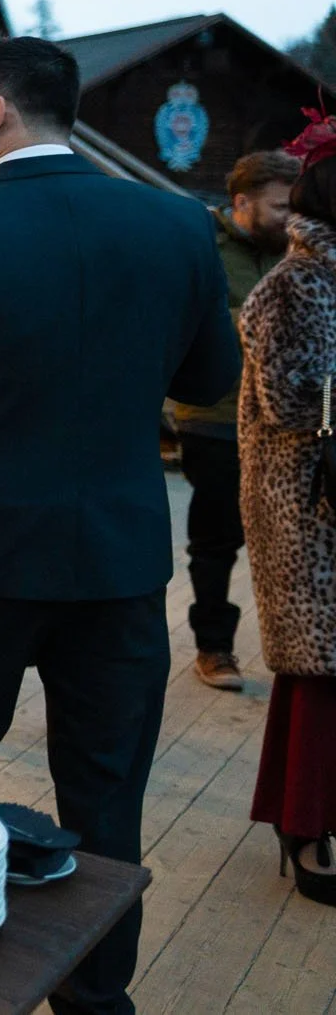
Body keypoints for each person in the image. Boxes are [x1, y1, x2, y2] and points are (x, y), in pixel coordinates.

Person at [0, 37, 239, 1015]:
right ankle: (92, 996)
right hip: (116, 561)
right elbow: (207, 381)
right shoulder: (173, 226)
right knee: (106, 799)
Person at [240, 114, 336, 908]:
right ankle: (304, 823)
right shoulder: (297, 285)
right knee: (318, 674)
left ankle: (302, 813)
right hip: (310, 512)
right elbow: (292, 398)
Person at [173, 149, 299, 690]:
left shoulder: (297, 249)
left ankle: (292, 647)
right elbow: (189, 318)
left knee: (285, 537)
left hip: (284, 419)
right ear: (241, 202)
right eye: (278, 207)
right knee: (216, 537)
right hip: (214, 413)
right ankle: (215, 646)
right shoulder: (202, 244)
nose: (288, 218)